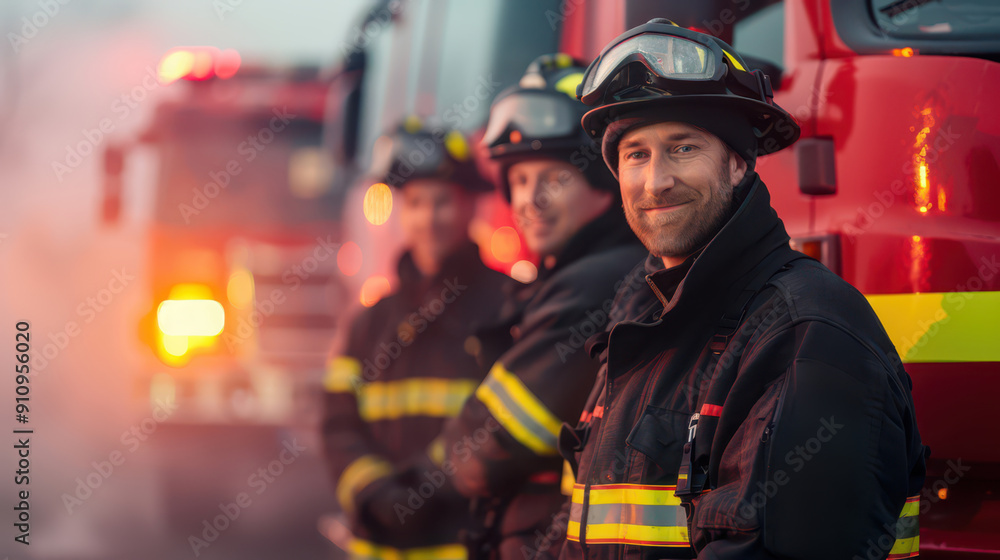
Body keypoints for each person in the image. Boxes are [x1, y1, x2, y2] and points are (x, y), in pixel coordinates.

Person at [556, 20, 927, 560]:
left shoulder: (804, 334)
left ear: (736, 164)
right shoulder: (638, 319)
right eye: (636, 154)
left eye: (683, 148)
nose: (656, 181)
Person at [440, 54, 647, 560]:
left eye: (552, 178)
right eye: (518, 181)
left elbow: (483, 451)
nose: (529, 200)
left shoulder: (596, 281)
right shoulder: (579, 271)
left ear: (603, 178)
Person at [321, 122, 508, 560]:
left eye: (442, 202)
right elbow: (336, 423)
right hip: (382, 545)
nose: (429, 218)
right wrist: (374, 491)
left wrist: (423, 491)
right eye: (417, 203)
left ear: (469, 208)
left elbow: (504, 425)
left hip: (469, 543)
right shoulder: (371, 321)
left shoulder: (507, 307)